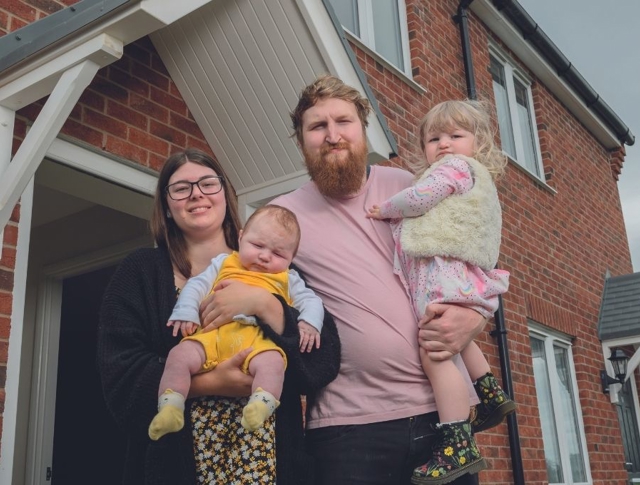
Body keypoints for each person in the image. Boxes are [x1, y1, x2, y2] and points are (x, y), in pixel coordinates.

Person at [272, 75, 487, 485]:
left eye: (343, 122)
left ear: (363, 129)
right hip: (347, 428)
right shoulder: (283, 217)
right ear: (301, 141)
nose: (333, 136)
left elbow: (469, 258)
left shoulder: (410, 185)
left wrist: (476, 318)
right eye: (317, 127)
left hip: (442, 418)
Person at [97, 148, 340, 485]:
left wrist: (264, 304)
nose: (197, 193)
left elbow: (323, 361)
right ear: (166, 206)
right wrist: (210, 383)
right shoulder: (140, 272)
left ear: (225, 195)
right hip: (173, 466)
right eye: (181, 188)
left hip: (265, 463)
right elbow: (120, 378)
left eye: (208, 183)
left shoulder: (278, 268)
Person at [366, 99, 515, 484]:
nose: (444, 144)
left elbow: (420, 199)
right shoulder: (478, 177)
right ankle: (490, 392)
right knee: (456, 337)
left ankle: (457, 442)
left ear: (478, 143)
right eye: (434, 138)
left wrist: (387, 209)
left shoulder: (453, 169)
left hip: (440, 272)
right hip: (460, 274)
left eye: (455, 135)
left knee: (435, 350)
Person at [148, 204, 324, 440]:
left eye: (279, 254)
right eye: (258, 245)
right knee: (179, 356)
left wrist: (309, 323)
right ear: (241, 237)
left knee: (273, 363)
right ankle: (171, 406)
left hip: (257, 343)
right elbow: (197, 286)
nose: (264, 256)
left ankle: (261, 405)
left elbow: (312, 301)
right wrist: (187, 311)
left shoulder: (289, 278)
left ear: (291, 259)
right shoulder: (223, 262)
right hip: (213, 336)